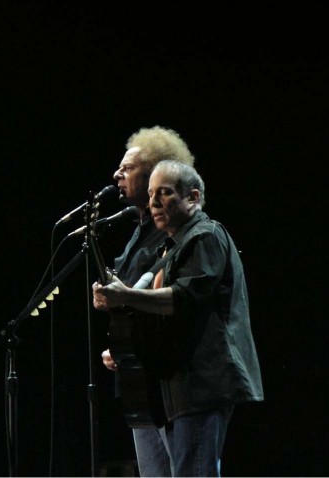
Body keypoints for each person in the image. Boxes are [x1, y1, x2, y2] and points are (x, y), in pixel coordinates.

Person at [93, 160, 264, 477]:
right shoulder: (169, 248)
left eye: (165, 193)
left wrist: (126, 296)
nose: (154, 203)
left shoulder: (206, 236)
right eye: (150, 194)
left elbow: (183, 299)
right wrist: (126, 345)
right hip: (169, 388)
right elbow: (157, 315)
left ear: (193, 197)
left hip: (199, 386)